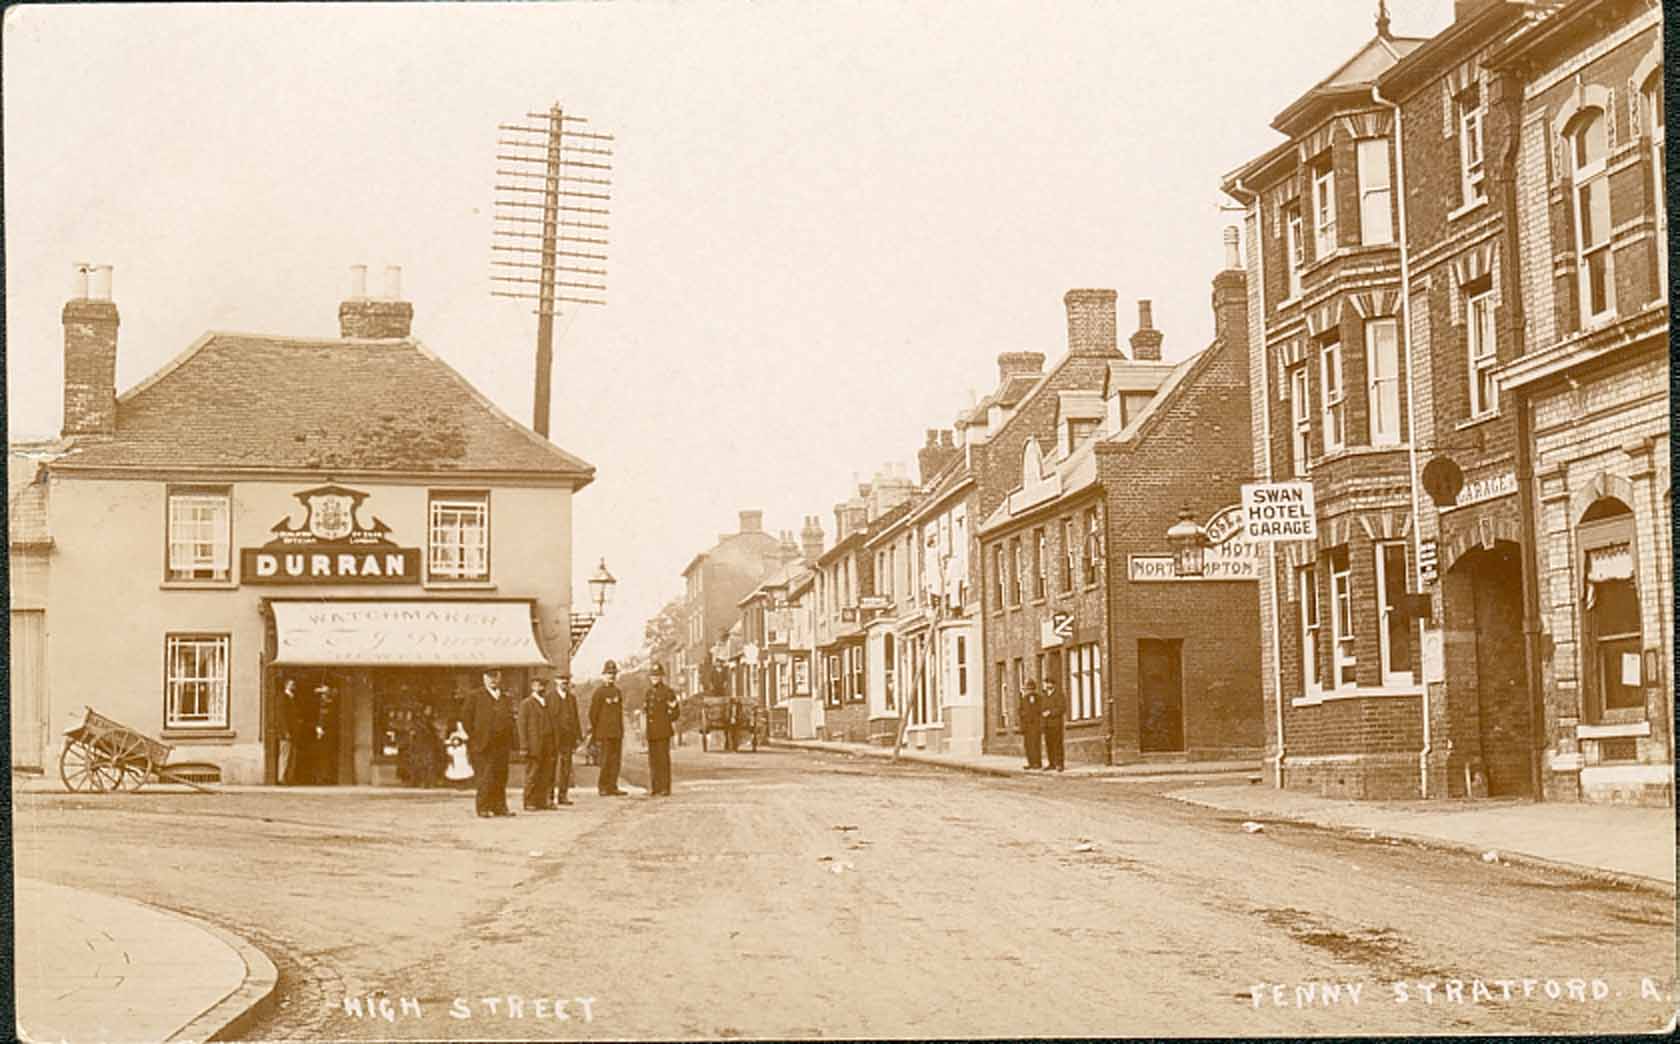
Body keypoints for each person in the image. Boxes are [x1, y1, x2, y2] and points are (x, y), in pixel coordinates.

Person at [465, 668, 516, 816]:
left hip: (501, 744)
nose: (493, 680)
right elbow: (466, 719)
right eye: (489, 677)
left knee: (501, 775)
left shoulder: (505, 698)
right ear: (484, 679)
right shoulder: (475, 696)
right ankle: (483, 808)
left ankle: (499, 807)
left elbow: (509, 719)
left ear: (500, 678)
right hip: (483, 744)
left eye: (496, 677)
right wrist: (475, 737)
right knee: (485, 776)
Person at [518, 677, 558, 810]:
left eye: (543, 686)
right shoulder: (526, 704)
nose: (541, 688)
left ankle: (543, 801)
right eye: (538, 686)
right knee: (533, 773)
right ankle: (529, 801)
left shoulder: (547, 703)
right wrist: (524, 746)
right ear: (532, 687)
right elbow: (522, 726)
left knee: (546, 773)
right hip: (534, 745)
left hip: (548, 743)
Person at [587, 660, 626, 796]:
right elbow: (593, 714)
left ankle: (612, 786)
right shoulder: (599, 693)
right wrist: (597, 731)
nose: (611, 676)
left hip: (616, 732)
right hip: (604, 733)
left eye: (613, 674)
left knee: (615, 761)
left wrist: (621, 731)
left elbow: (619, 713)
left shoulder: (617, 692)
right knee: (605, 760)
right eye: (609, 673)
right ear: (603, 675)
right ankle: (603, 786)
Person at [644, 664, 681, 797]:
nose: (654, 678)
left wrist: (665, 720)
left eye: (657, 676)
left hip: (663, 731)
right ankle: (655, 787)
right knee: (653, 761)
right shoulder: (649, 693)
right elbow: (647, 712)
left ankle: (665, 788)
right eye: (653, 676)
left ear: (661, 677)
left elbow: (675, 713)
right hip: (652, 732)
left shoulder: (668, 692)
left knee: (663, 760)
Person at [549, 676, 582, 805]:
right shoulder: (549, 697)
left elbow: (575, 718)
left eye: (566, 680)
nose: (564, 682)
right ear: (555, 681)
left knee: (566, 766)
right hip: (553, 737)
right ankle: (549, 796)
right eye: (561, 679)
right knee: (551, 766)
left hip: (568, 738)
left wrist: (578, 736)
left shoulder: (571, 699)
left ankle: (563, 795)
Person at [401, 703, 446, 788]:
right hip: (421, 745)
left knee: (427, 763)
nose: (429, 711)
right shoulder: (421, 722)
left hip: (427, 745)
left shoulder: (429, 721)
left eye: (430, 710)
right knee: (422, 763)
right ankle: (420, 782)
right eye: (428, 709)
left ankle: (427, 782)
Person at [280, 679, 313, 785]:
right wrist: (285, 731)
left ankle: (289, 777)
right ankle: (282, 777)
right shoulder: (283, 698)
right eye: (291, 684)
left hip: (294, 732)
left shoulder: (293, 698)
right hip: (287, 732)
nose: (293, 686)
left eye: (294, 684)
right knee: (285, 755)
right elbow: (282, 717)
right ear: (286, 685)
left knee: (292, 755)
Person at [1041, 678, 1067, 772]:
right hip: (1047, 725)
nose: (1048, 685)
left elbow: (1062, 708)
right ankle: (1051, 763)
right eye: (1046, 683)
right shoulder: (1044, 696)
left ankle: (1060, 764)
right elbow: (1041, 709)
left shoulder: (1059, 695)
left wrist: (1050, 712)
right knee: (1049, 744)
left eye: (1050, 683)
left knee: (1058, 744)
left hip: (1056, 724)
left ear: (1053, 684)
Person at [1018, 679, 1044, 771]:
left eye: (1031, 689)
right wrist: (1022, 725)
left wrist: (1040, 724)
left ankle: (1037, 762)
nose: (1029, 691)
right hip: (1027, 726)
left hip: (1035, 725)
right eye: (1028, 689)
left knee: (1035, 744)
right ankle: (1031, 762)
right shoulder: (1023, 699)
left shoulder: (1038, 698)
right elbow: (1020, 711)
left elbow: (1040, 711)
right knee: (1028, 745)